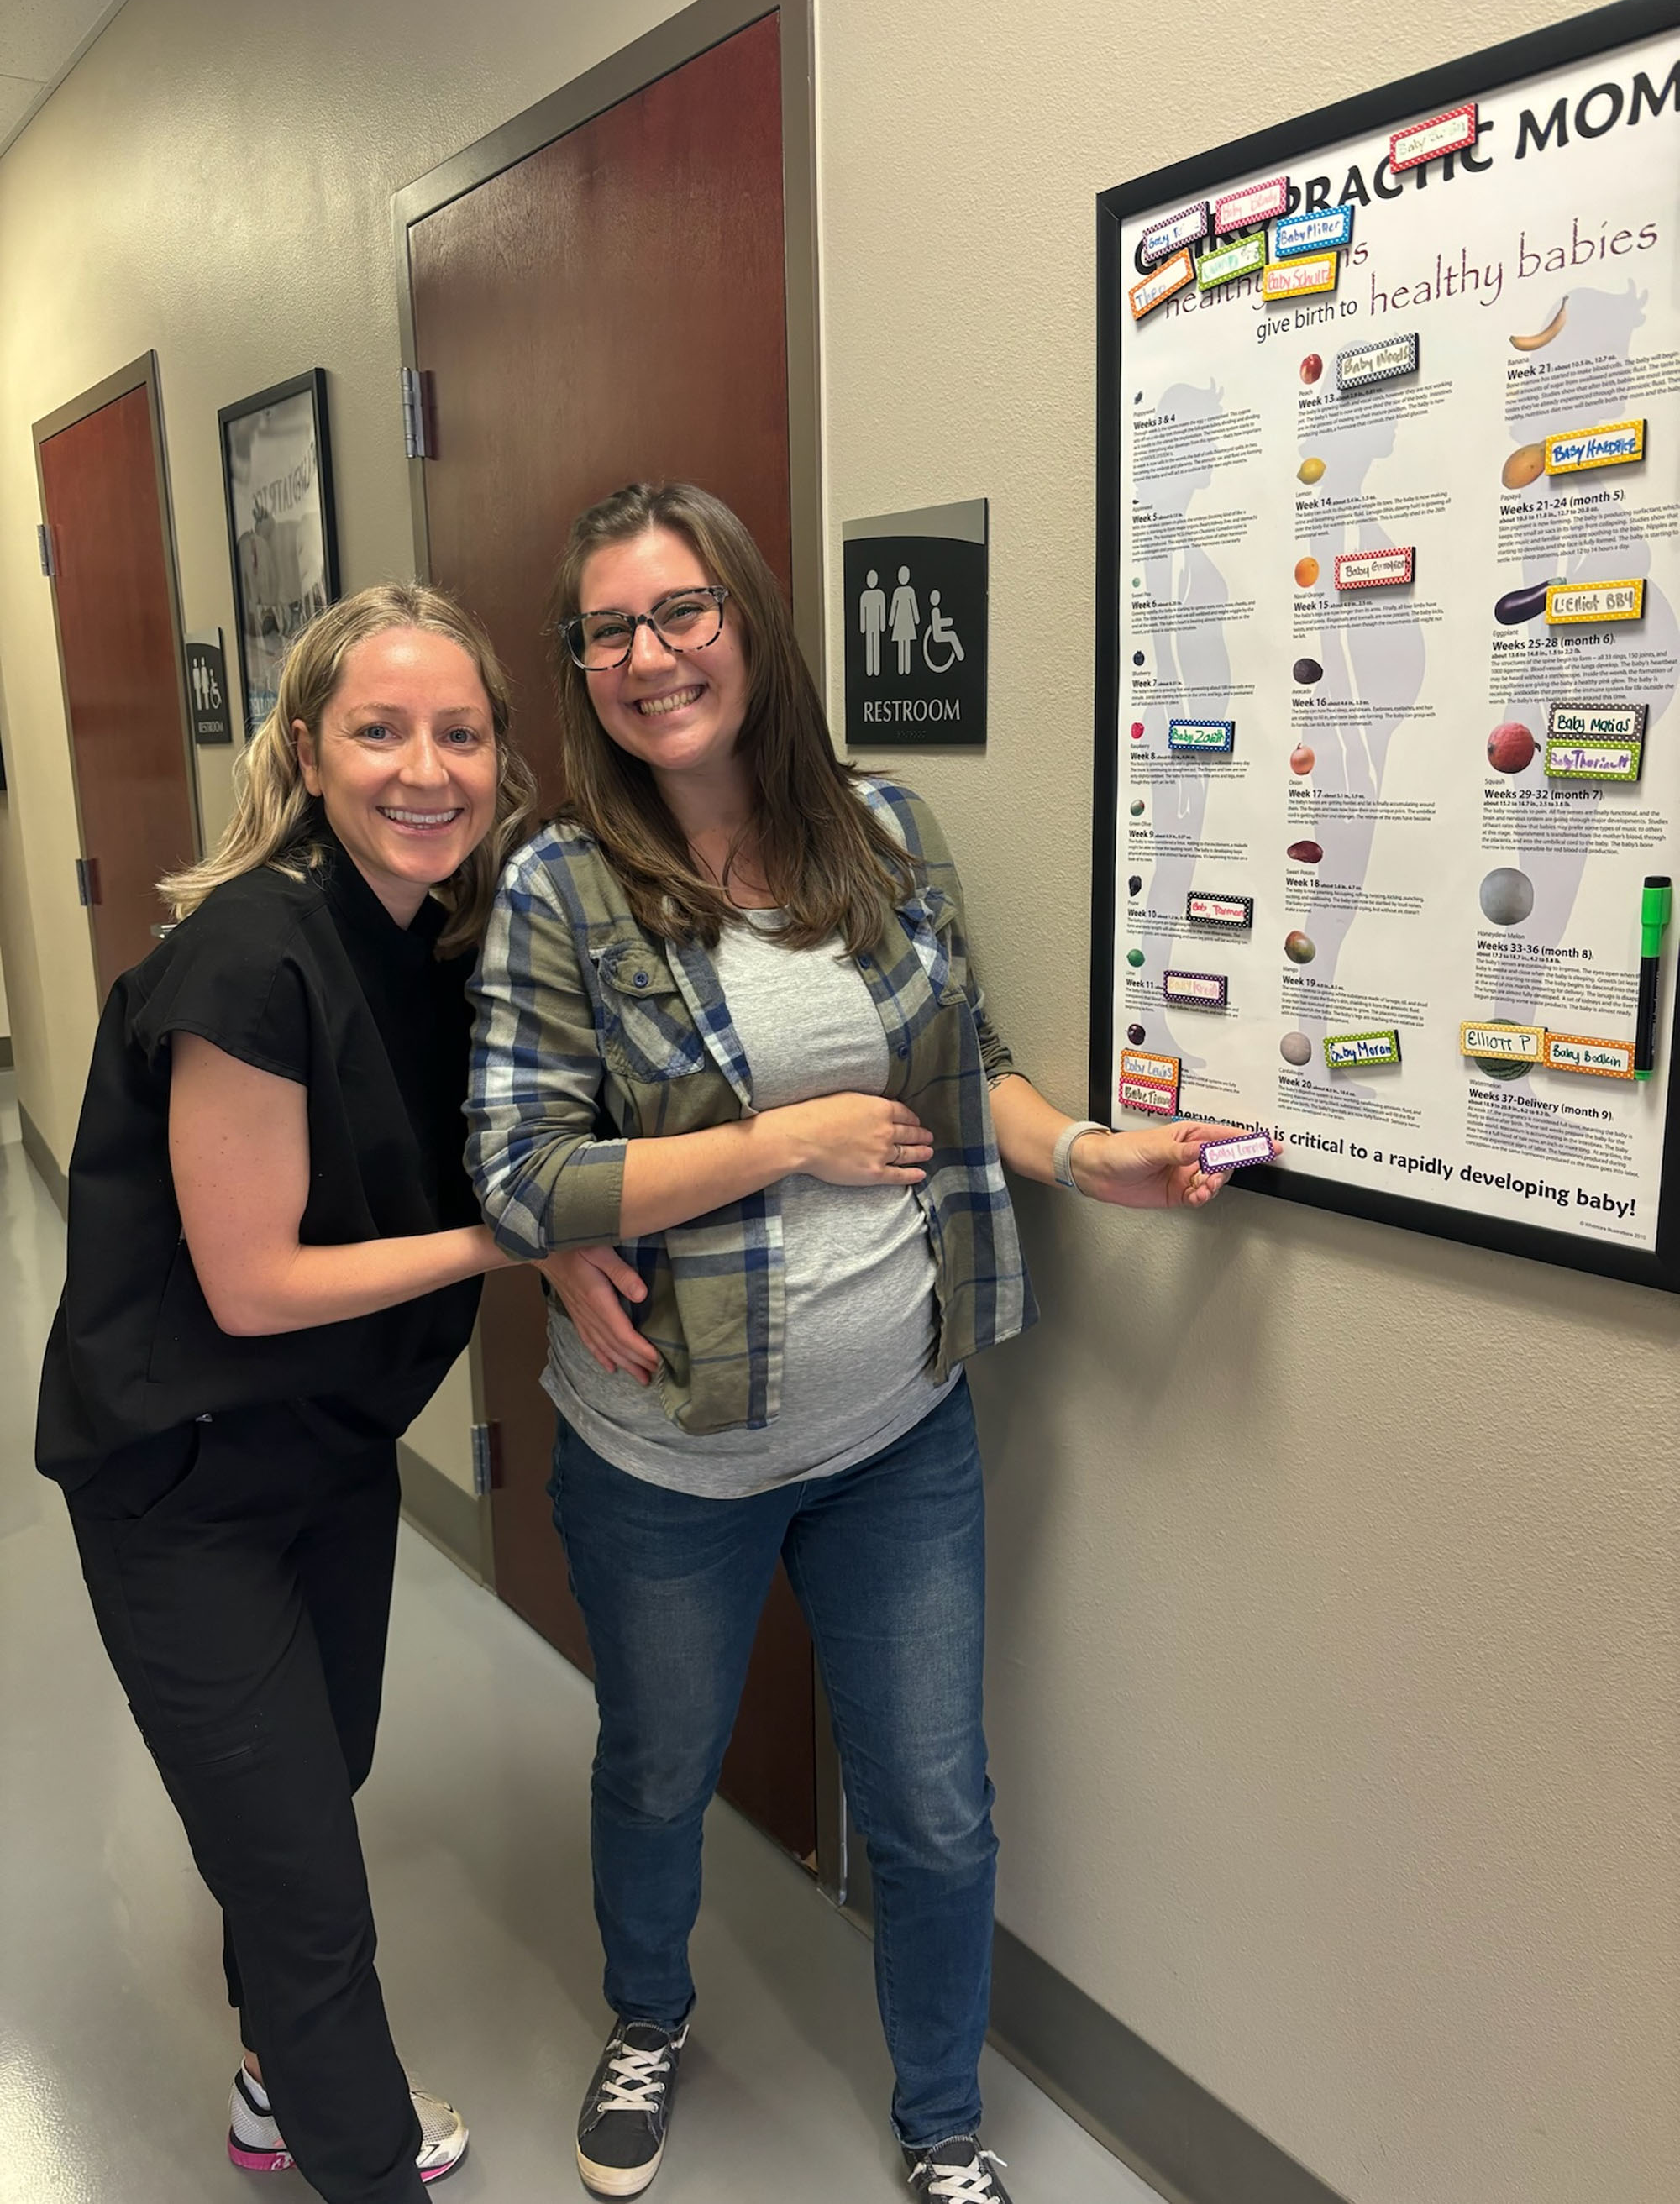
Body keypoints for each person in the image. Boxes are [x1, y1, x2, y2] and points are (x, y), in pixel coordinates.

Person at [467, 483, 1250, 2204]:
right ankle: (650, 2012)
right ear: (576, 666)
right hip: (662, 1452)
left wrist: (1086, 1154)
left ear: (747, 622)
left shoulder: (883, 832)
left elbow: (966, 1069)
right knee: (660, 1767)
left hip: (899, 1429)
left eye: (682, 613)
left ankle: (939, 2123)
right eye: (607, 629)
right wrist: (783, 1141)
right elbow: (522, 1172)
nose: (650, 655)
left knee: (936, 1805)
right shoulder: (557, 884)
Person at [35, 584, 547, 2204]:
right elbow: (252, 1283)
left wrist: (566, 1238)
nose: (425, 768)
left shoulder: (436, 939)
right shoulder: (254, 955)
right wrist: (511, 1243)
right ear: (307, 751)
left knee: (319, 1781)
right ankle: (357, 2157)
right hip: (179, 1479)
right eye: (379, 730)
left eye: (459, 732)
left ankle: (267, 2086)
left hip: (327, 1455)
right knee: (310, 1886)